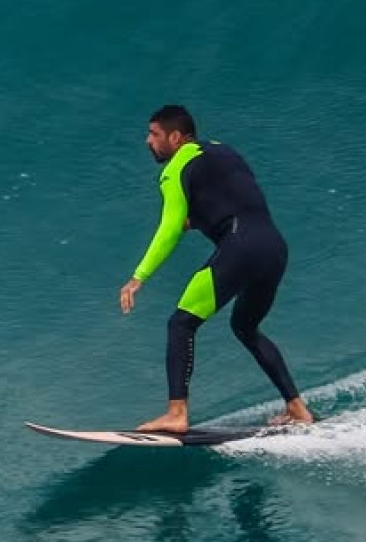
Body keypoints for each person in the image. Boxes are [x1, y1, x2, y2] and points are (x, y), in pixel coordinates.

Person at [118, 105, 315, 434]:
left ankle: (176, 414)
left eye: (154, 134)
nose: (147, 141)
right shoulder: (223, 150)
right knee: (245, 327)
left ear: (176, 137)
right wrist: (199, 220)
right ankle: (298, 408)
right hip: (274, 247)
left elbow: (167, 230)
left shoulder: (175, 168)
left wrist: (138, 277)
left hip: (241, 248)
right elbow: (239, 198)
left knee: (181, 324)